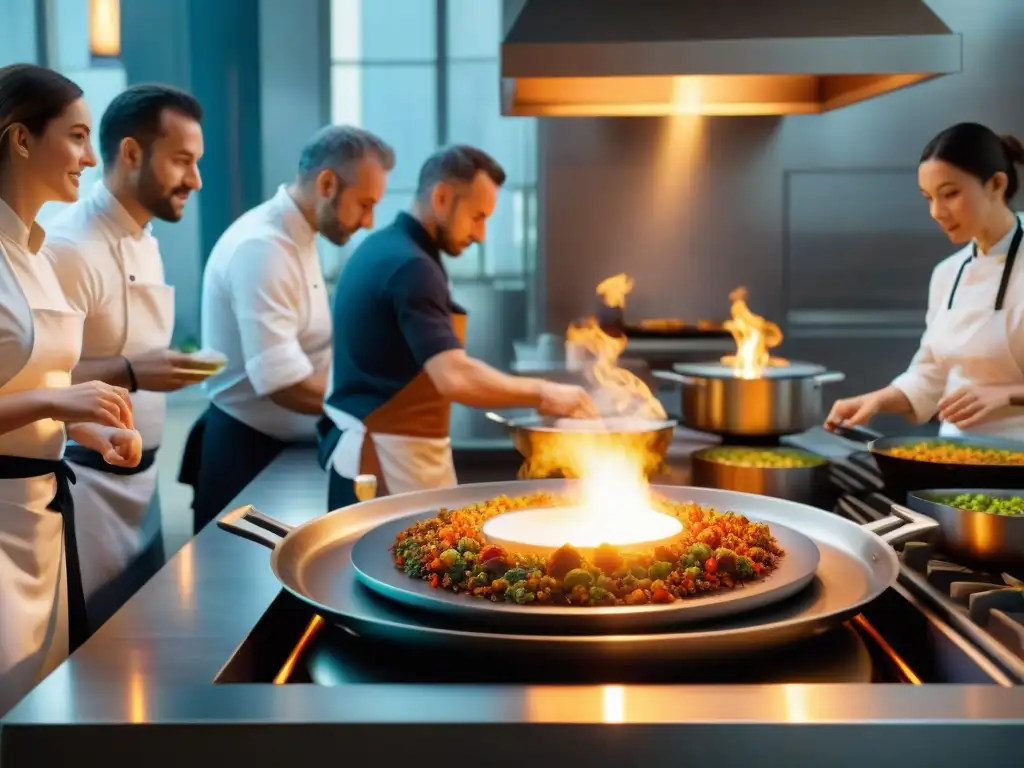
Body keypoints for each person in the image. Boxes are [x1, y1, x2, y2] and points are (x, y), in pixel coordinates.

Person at [319, 145, 596, 510]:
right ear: (442, 196)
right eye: (477, 216)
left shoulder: (386, 249)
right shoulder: (410, 267)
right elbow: (455, 378)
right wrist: (547, 393)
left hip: (394, 453)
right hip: (387, 461)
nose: (481, 234)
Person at [0, 64, 141, 716]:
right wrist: (60, 404)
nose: (91, 157)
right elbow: (50, 394)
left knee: (43, 706)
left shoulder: (36, 249)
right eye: (78, 136)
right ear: (21, 139)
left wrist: (91, 429)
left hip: (41, 513)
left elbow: (39, 382)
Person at [44, 84, 205, 632]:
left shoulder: (147, 238)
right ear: (133, 153)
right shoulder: (69, 247)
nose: (195, 180)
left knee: (146, 641)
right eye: (182, 160)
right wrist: (133, 371)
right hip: (89, 484)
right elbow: (40, 375)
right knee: (96, 652)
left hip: (145, 480)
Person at [180, 125, 395, 532]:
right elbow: (283, 383)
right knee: (243, 593)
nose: (368, 222)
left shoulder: (300, 236)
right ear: (327, 183)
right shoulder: (263, 247)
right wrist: (371, 410)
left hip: (283, 449)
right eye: (364, 204)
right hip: (247, 457)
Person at [826, 122, 1024, 438]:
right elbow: (931, 374)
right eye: (928, 198)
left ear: (996, 184)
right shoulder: (948, 273)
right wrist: (877, 400)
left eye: (950, 194)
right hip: (956, 462)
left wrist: (1009, 395)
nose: (936, 211)